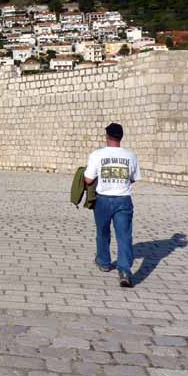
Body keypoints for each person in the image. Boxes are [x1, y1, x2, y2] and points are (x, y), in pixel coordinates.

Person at [84, 123, 140, 288]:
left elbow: (88, 179)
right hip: (123, 199)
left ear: (107, 137)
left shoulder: (97, 155)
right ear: (121, 137)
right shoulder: (131, 156)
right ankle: (124, 271)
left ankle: (104, 262)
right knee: (124, 236)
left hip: (103, 199)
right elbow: (133, 178)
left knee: (103, 232)